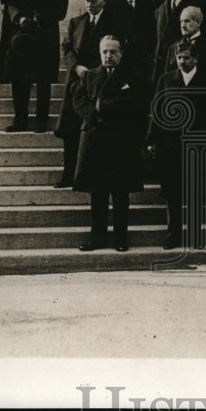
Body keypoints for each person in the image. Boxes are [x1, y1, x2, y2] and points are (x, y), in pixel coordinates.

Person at [71, 35, 147, 252]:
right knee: (97, 192)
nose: (108, 56)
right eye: (104, 51)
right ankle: (97, 238)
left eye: (113, 51)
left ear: (121, 53)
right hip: (95, 138)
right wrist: (94, 114)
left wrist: (103, 106)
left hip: (120, 140)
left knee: (120, 192)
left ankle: (120, 239)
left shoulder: (132, 75)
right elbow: (78, 100)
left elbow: (136, 103)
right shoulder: (90, 76)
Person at [146, 39, 206, 249]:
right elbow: (156, 111)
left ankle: (195, 235)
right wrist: (152, 138)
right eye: (179, 58)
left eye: (187, 57)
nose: (182, 61)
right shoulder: (166, 79)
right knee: (172, 191)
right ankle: (173, 234)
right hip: (170, 144)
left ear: (196, 59)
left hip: (197, 144)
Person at [53, 0, 121, 188]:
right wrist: (75, 66)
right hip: (78, 81)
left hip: (101, 82)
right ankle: (68, 175)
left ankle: (90, 175)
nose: (90, 5)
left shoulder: (112, 22)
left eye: (94, 1)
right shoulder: (77, 22)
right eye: (87, 1)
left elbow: (114, 52)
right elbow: (66, 47)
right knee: (70, 129)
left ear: (104, 1)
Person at [6, 0, 69, 133]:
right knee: (19, 79)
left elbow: (60, 11)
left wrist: (38, 18)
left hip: (45, 37)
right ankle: (20, 121)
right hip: (24, 38)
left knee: (43, 80)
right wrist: (19, 18)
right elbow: (12, 4)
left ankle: (41, 120)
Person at [112, 0, 156, 68]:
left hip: (143, 54)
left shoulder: (147, 4)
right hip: (122, 54)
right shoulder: (113, 7)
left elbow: (151, 29)